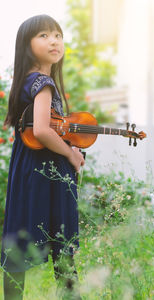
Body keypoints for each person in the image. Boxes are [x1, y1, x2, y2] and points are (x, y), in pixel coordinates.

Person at [0, 14, 85, 299]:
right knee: (62, 242)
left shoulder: (25, 80)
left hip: (27, 167)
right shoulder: (43, 83)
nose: (54, 41)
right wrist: (71, 154)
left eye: (57, 35)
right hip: (47, 168)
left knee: (18, 240)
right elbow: (42, 130)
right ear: (27, 44)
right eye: (44, 36)